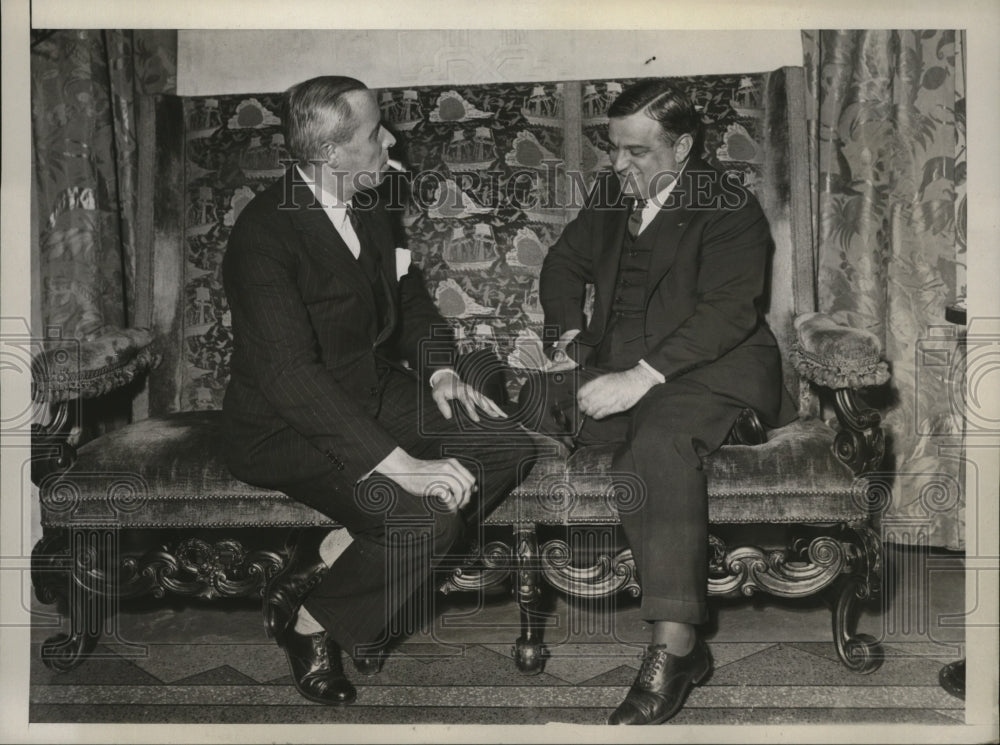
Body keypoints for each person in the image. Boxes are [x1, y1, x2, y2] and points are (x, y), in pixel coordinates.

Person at [222, 76, 536, 706]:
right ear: (331, 154)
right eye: (375, 133)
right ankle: (313, 624)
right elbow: (291, 378)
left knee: (505, 444)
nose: (391, 139)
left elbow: (407, 291)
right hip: (285, 424)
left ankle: (335, 551)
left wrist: (441, 366)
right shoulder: (263, 238)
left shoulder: (368, 193)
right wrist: (406, 468)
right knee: (425, 520)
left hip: (370, 389)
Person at [524, 79, 796, 725]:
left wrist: (639, 377)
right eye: (612, 150)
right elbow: (562, 266)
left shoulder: (729, 206)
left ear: (683, 145)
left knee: (656, 443)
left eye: (637, 152)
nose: (620, 166)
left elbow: (726, 314)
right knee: (525, 413)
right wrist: (566, 336)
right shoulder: (612, 194)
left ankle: (675, 645)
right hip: (621, 366)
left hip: (715, 368)